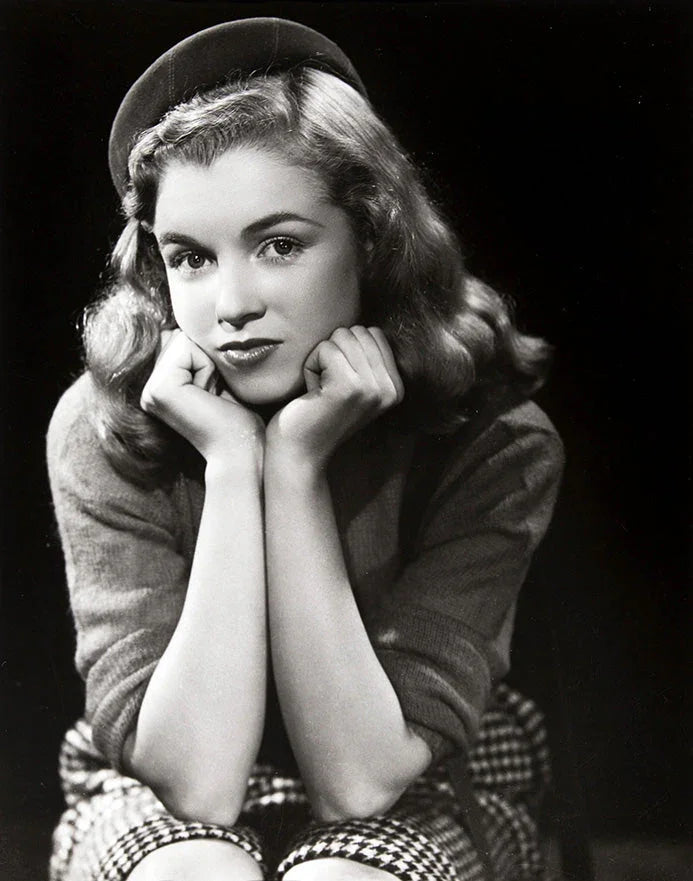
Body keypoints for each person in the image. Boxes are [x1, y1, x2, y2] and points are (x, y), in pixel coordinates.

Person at [47, 17, 564, 881]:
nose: (231, 302)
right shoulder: (103, 422)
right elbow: (196, 785)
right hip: (152, 781)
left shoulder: (495, 436)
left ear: (371, 237)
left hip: (426, 778)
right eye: (190, 258)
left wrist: (295, 467)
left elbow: (360, 780)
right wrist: (231, 461)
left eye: (278, 244)